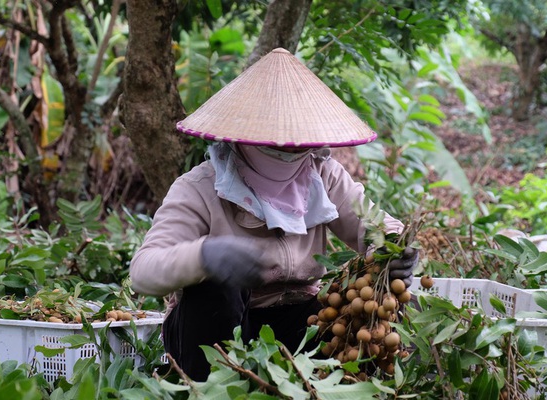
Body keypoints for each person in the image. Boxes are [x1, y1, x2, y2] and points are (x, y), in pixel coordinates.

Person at [129, 48, 418, 381]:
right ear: (243, 135)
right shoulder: (200, 187)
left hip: (301, 325)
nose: (288, 152)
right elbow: (143, 270)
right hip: (222, 330)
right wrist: (204, 255)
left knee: (364, 310)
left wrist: (394, 247)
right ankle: (214, 386)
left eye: (296, 144)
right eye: (275, 143)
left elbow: (373, 224)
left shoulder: (322, 175)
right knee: (215, 291)